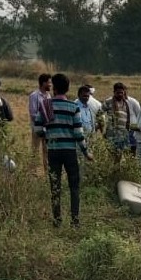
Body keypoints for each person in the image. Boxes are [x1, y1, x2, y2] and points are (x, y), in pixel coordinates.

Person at [34, 73, 93, 228]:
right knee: (74, 186)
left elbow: (38, 128)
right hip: (70, 152)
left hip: (53, 151)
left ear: (54, 87)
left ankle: (57, 220)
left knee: (55, 186)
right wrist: (86, 152)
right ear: (67, 89)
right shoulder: (73, 107)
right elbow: (78, 133)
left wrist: (49, 136)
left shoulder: (46, 105)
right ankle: (75, 221)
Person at [28, 73, 52, 170]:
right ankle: (32, 172)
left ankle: (47, 172)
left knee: (47, 151)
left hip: (47, 127)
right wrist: (43, 120)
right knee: (35, 150)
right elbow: (33, 113)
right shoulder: (34, 96)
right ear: (43, 83)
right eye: (49, 82)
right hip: (37, 127)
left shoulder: (48, 95)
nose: (50, 85)